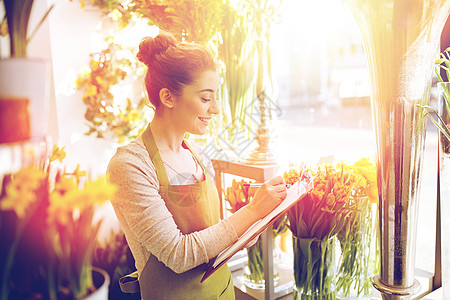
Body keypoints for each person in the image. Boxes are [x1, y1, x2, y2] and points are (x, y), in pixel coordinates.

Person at [107, 29, 287, 300]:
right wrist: (252, 211)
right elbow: (178, 255)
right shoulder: (130, 166)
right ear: (168, 98)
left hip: (223, 291)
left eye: (215, 96)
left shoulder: (197, 154)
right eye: (205, 98)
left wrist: (255, 222)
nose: (215, 109)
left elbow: (214, 234)